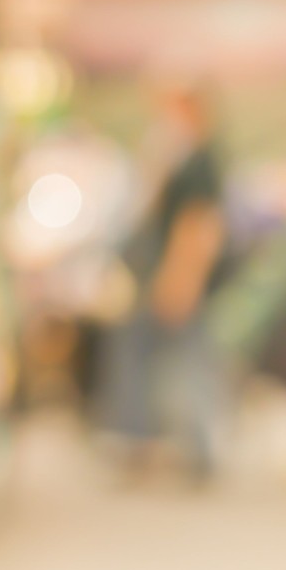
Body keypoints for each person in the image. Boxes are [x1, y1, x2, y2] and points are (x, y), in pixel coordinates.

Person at [96, 86, 227, 481]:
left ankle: (197, 445)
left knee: (188, 359)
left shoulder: (201, 160)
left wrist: (183, 277)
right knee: (157, 353)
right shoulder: (176, 156)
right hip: (160, 273)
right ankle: (143, 439)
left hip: (176, 275)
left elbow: (201, 224)